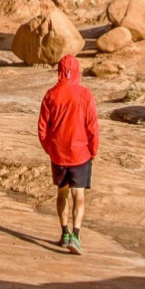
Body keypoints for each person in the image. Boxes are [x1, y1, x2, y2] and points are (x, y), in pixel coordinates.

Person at [37, 52, 98, 254]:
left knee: (62, 192)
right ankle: (76, 235)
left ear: (60, 71)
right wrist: (93, 149)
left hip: (58, 153)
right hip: (80, 153)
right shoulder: (85, 94)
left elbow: (42, 128)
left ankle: (64, 233)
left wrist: (50, 148)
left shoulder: (51, 95)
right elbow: (92, 126)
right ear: (77, 70)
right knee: (78, 195)